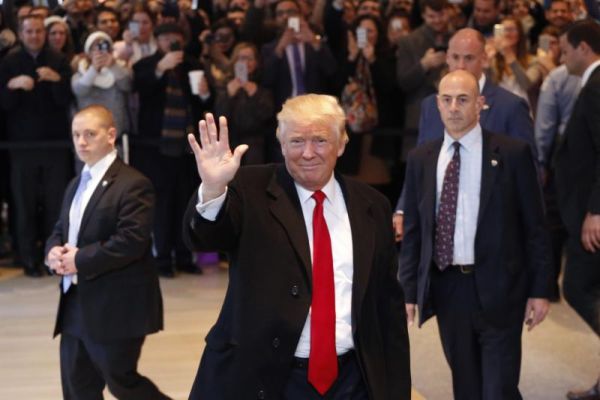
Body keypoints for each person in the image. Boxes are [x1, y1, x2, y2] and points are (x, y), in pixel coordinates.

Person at [182, 94, 411, 399]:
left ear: (341, 144)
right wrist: (213, 188)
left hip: (353, 381)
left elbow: (387, 308)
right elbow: (205, 238)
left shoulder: (372, 206)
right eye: (296, 141)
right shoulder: (249, 189)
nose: (308, 153)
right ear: (281, 144)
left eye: (320, 140)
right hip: (268, 379)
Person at [399, 70, 551, 399]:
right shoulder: (421, 159)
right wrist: (409, 290)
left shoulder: (511, 154)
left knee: (498, 386)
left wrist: (541, 290)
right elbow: (413, 232)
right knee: (466, 386)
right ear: (437, 105)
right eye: (447, 99)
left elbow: (536, 228)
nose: (454, 107)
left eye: (463, 99)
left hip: (501, 286)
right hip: (448, 287)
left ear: (480, 104)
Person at [45, 105, 170, 400]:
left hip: (116, 305)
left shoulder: (133, 184)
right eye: (76, 134)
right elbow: (62, 228)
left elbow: (131, 241)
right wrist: (52, 251)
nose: (81, 141)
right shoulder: (77, 182)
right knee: (77, 386)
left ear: (111, 135)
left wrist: (79, 259)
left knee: (122, 382)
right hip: (75, 302)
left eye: (90, 133)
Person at [393, 28, 535, 241]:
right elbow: (419, 164)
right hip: (438, 232)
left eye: (468, 58)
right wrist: (404, 208)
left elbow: (529, 174)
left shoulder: (511, 107)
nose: (460, 65)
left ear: (484, 59)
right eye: (455, 57)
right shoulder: (431, 106)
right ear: (446, 58)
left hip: (493, 233)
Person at [0, 15, 73, 277]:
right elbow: (4, 104)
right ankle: (28, 258)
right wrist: (11, 86)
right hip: (21, 146)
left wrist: (56, 81)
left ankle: (52, 258)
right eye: (29, 31)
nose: (35, 35)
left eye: (39, 31)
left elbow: (67, 100)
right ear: (21, 33)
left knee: (55, 204)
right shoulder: (9, 62)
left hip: (55, 143)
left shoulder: (59, 60)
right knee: (24, 204)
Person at [555, 19, 600, 400]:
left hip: (593, 212)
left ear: (584, 48)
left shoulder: (598, 84)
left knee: (577, 286)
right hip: (585, 207)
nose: (562, 56)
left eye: (565, 49)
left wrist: (596, 211)